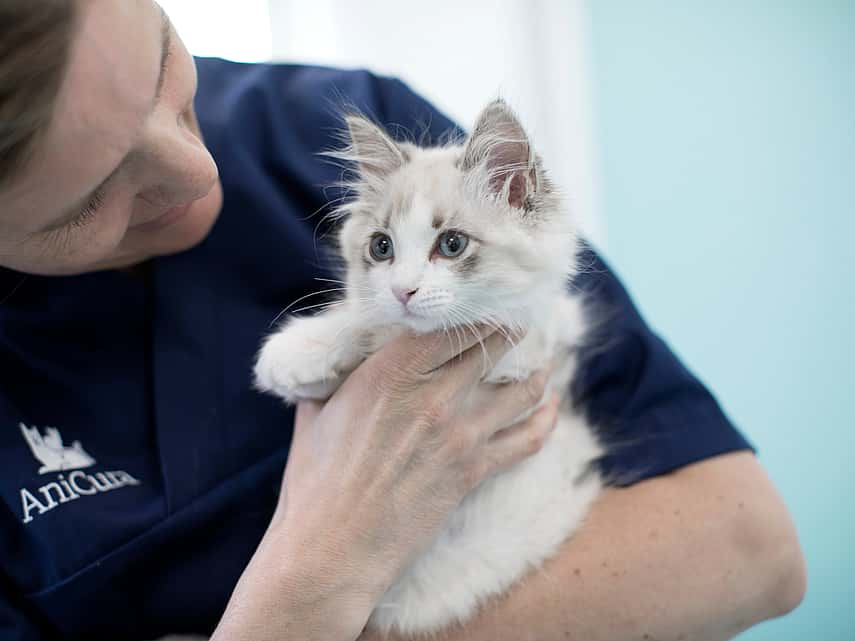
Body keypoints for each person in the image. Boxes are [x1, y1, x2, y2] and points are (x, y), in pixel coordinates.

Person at [0, 2, 805, 640]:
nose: (196, 169)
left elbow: (752, 549)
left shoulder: (328, 121)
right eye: (92, 195)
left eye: (162, 69)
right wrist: (313, 575)